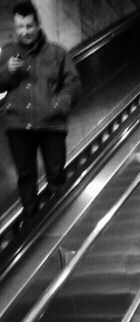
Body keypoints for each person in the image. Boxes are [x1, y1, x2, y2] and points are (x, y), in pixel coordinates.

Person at [0, 2, 81, 225]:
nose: (24, 31)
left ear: (37, 25)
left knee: (55, 173)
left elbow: (73, 85)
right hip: (18, 125)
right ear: (15, 28)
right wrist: (8, 71)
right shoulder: (7, 53)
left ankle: (59, 222)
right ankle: (31, 226)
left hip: (51, 126)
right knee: (26, 178)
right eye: (19, 27)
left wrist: (57, 107)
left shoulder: (56, 53)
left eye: (28, 26)